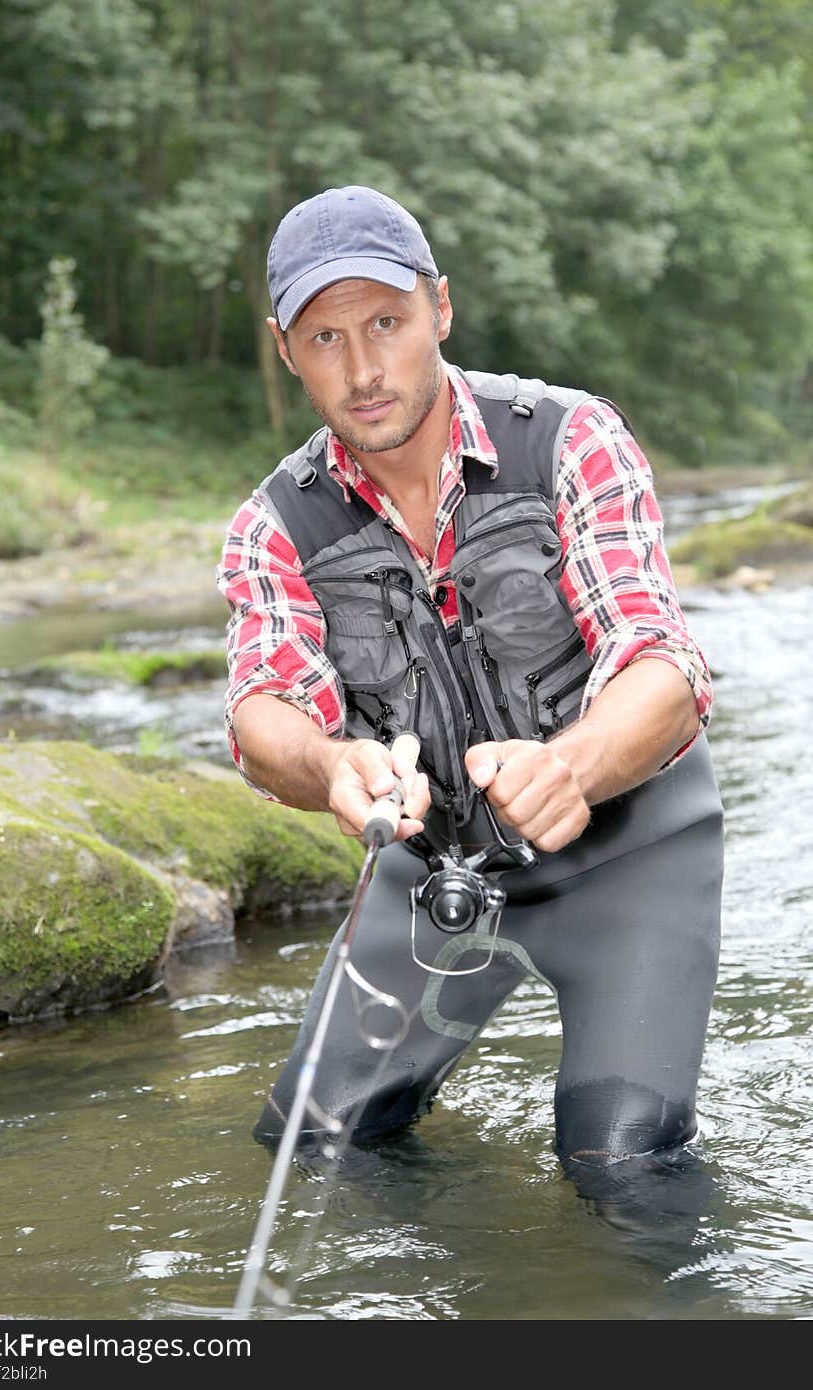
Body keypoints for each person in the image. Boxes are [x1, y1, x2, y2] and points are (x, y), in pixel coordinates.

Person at [217, 185, 723, 1177]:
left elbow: (660, 664)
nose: (362, 369)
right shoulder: (271, 525)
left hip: (634, 851)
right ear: (285, 350)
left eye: (386, 324)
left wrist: (569, 765)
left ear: (439, 309)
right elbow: (260, 713)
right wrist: (329, 765)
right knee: (312, 1149)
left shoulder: (572, 438)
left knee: (619, 1165)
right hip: (435, 876)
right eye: (325, 339)